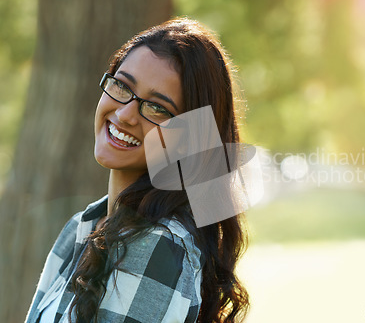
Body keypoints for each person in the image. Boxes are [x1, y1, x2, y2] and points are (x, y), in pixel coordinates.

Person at [25, 17, 250, 323]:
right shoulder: (81, 226)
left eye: (157, 108)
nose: (125, 114)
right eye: (121, 85)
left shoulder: (158, 245)